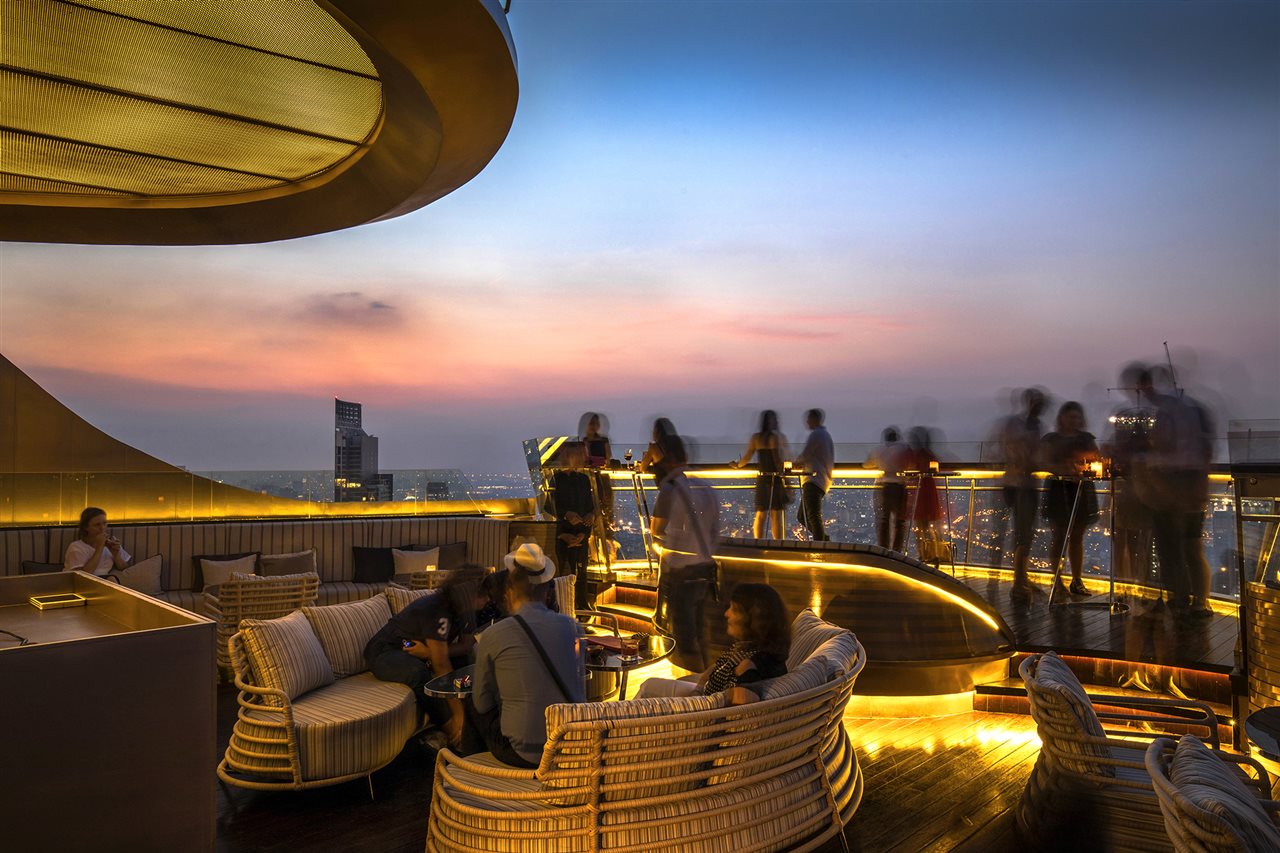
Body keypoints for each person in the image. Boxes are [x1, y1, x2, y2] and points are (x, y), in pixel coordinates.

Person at [461, 543, 584, 767]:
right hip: (569, 744)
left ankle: (472, 774)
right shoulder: (573, 628)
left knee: (471, 703)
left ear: (510, 590)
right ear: (547, 591)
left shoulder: (493, 634)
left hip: (524, 753)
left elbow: (482, 703)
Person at [364, 564, 490, 745]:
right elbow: (440, 664)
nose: (487, 599)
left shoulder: (465, 610)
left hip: (417, 648)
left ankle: (475, 719)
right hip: (390, 649)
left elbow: (466, 645)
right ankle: (453, 730)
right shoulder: (437, 610)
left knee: (463, 663)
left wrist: (429, 653)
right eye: (483, 595)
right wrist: (457, 714)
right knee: (418, 673)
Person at [637, 582, 790, 705]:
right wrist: (698, 689)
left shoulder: (749, 666)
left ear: (752, 619)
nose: (726, 613)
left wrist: (699, 702)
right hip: (703, 696)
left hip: (702, 712)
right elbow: (716, 667)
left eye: (734, 610)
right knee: (649, 685)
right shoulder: (749, 649)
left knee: (648, 689)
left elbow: (742, 700)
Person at [1141, 367, 1215, 617]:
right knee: (1181, 547)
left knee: (1185, 547)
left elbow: (1167, 448)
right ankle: (1191, 601)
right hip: (1176, 485)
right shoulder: (1188, 410)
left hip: (1180, 485)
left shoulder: (1179, 413)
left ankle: (1193, 601)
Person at [652, 433, 721, 672]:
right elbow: (714, 532)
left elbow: (656, 529)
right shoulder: (705, 487)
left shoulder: (671, 489)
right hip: (704, 571)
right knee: (700, 633)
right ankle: (706, 685)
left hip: (681, 573)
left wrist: (676, 539)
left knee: (684, 639)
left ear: (667, 459)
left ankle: (696, 697)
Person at [1040, 402, 1101, 600]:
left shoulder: (1086, 439)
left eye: (1076, 417)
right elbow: (1043, 460)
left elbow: (1096, 458)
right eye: (1070, 417)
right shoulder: (1051, 439)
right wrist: (1064, 467)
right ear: (1062, 418)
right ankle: (1058, 582)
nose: (1073, 421)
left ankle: (1076, 580)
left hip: (1080, 489)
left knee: (1077, 536)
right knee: (1059, 536)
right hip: (1059, 490)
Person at [997, 388, 1046, 600]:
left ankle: (1021, 578)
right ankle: (1018, 583)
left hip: (1019, 484)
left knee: (1024, 534)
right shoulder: (1023, 427)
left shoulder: (1026, 425)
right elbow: (1019, 454)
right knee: (1024, 535)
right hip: (1020, 486)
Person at [729, 409, 791, 539]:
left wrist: (737, 465)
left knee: (760, 513)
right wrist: (787, 480)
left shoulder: (756, 438)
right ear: (770, 422)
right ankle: (778, 544)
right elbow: (777, 461)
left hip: (762, 478)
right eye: (774, 419)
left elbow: (747, 457)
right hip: (775, 479)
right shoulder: (773, 438)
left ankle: (759, 542)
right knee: (776, 515)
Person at [549, 442, 595, 610]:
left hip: (580, 534)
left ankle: (582, 606)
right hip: (562, 535)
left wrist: (587, 524)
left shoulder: (584, 479)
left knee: (582, 573)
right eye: (581, 455)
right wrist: (566, 516)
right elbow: (550, 507)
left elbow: (590, 507)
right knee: (566, 572)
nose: (584, 458)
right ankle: (565, 607)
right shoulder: (556, 479)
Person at [864, 427, 909, 552]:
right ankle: (897, 550)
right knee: (899, 521)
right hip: (899, 487)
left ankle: (883, 549)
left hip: (884, 487)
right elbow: (909, 463)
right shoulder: (903, 449)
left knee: (884, 520)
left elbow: (866, 464)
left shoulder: (878, 450)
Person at [793, 408, 835, 541]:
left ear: (814, 419)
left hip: (814, 479)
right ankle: (823, 539)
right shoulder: (826, 435)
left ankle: (821, 545)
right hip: (822, 480)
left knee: (812, 516)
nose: (806, 422)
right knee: (803, 516)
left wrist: (795, 463)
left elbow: (806, 454)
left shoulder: (816, 435)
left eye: (808, 419)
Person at [903, 426, 943, 562]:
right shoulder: (929, 454)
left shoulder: (916, 455)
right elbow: (935, 468)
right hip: (929, 492)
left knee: (919, 527)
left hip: (920, 492)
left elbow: (911, 469)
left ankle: (922, 556)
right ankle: (934, 555)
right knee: (930, 527)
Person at [580, 412, 615, 560]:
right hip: (591, 479)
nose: (593, 427)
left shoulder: (603, 440)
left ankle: (609, 556)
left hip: (602, 479)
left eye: (595, 424)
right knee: (594, 517)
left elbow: (609, 458)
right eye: (591, 424)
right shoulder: (584, 441)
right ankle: (595, 556)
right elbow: (583, 459)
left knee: (606, 515)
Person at [64, 507, 131, 575]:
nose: (102, 528)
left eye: (104, 523)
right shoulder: (76, 547)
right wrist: (100, 547)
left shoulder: (110, 543)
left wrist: (116, 554)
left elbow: (124, 569)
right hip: (85, 582)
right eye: (97, 525)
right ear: (86, 527)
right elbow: (82, 576)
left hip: (108, 580)